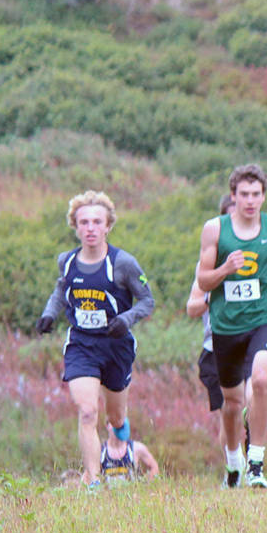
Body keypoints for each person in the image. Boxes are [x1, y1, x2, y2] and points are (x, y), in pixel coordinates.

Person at [36, 191, 156, 492]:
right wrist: (50, 314)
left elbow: (147, 301)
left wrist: (125, 320)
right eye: (83, 222)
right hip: (82, 345)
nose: (90, 228)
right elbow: (61, 290)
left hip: (116, 347)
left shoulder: (123, 263)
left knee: (115, 415)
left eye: (96, 222)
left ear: (107, 227)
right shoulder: (67, 261)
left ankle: (121, 433)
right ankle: (94, 480)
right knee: (88, 411)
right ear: (75, 226)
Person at [195, 164, 267, 489]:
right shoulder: (215, 229)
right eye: (244, 195)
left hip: (263, 318)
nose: (250, 201)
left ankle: (256, 461)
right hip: (225, 326)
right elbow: (202, 280)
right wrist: (225, 268)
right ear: (233, 196)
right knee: (232, 404)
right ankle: (233, 461)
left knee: (261, 379)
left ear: (264, 196)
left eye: (256, 194)